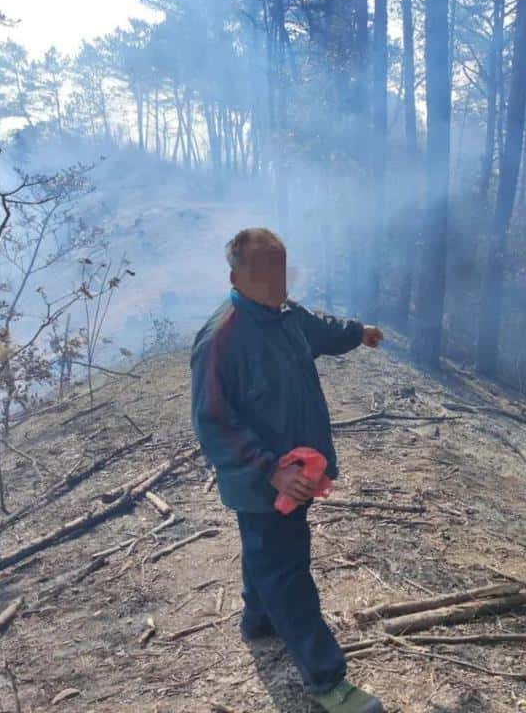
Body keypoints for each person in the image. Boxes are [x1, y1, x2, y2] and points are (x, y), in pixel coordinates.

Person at [190, 228, 385, 713]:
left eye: (281, 269)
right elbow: (212, 421)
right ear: (236, 276)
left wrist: (358, 333)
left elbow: (322, 328)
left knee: (269, 556)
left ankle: (259, 621)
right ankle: (327, 681)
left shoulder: (286, 315)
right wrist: (268, 471)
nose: (276, 281)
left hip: (297, 474)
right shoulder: (221, 339)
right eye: (263, 272)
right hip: (261, 483)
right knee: (288, 571)